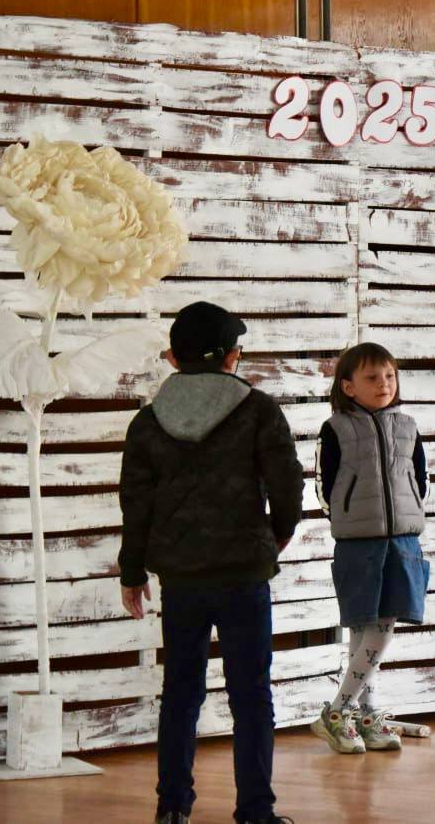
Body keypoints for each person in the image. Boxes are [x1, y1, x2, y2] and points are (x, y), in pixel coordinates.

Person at [119, 301, 303, 824]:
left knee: (180, 693)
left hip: (181, 579)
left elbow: (135, 503)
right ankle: (256, 812)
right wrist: (278, 534)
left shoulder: (148, 421)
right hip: (244, 572)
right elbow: (287, 483)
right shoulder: (259, 409)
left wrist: (133, 572)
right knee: (251, 695)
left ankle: (172, 808)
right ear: (232, 357)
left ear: (173, 358)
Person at [310, 342, 430, 754]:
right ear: (348, 387)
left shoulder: (408, 425)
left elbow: (420, 478)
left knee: (380, 625)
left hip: (402, 540)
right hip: (357, 543)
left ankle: (363, 715)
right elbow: (324, 484)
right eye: (372, 377)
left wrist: (407, 512)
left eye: (390, 376)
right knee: (366, 627)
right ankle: (339, 712)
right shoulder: (336, 428)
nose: (384, 384)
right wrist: (346, 518)